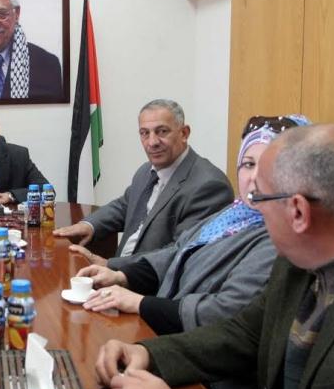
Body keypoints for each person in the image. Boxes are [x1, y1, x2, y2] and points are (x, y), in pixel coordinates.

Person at [96, 124, 334, 389]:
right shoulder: (302, 255)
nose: (251, 208)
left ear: (298, 212)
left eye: (259, 198)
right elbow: (247, 333)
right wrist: (150, 354)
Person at [54, 99, 233, 267]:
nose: (152, 142)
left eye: (162, 131)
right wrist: (88, 225)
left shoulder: (209, 186)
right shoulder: (146, 171)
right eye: (145, 133)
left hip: (152, 284)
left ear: (184, 133)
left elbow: (180, 252)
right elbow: (124, 206)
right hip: (119, 270)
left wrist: (111, 266)